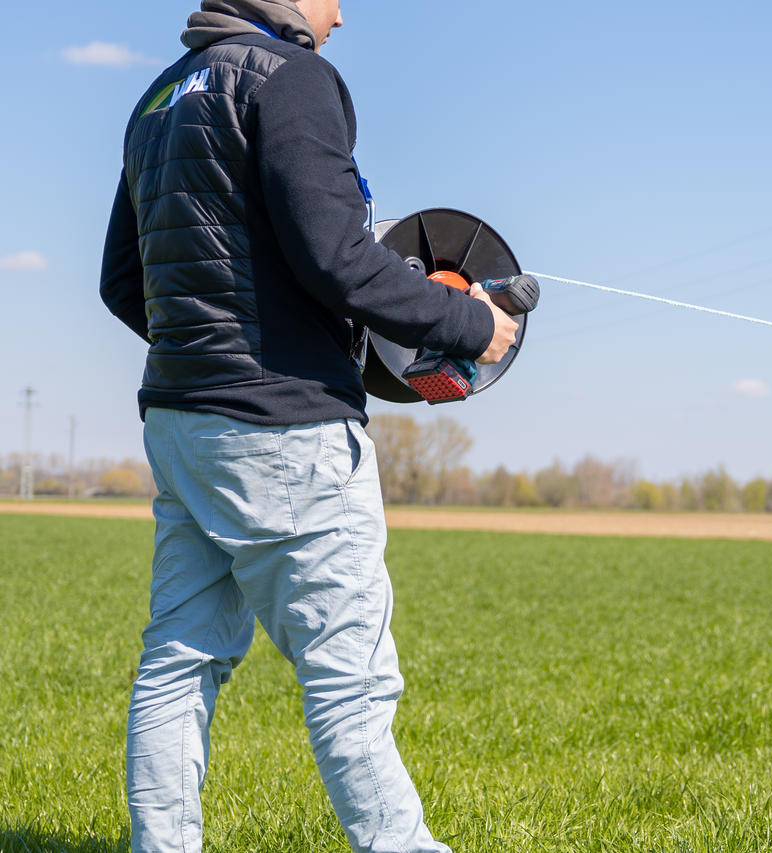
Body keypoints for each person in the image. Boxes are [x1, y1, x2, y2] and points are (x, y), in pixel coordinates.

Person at [99, 1, 518, 850]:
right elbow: (337, 258)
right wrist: (473, 324)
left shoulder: (158, 98)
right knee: (350, 679)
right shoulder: (295, 80)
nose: (341, 15)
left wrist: (216, 347)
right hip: (286, 430)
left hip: (182, 424)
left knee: (180, 658)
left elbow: (121, 281)